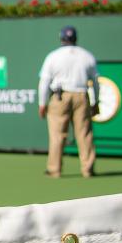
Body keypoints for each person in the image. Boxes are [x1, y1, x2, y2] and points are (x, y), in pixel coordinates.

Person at [38, 26, 98, 179]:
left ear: (61, 38)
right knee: (84, 134)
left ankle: (54, 170)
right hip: (81, 96)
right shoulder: (87, 55)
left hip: (60, 97)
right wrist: (95, 102)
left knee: (57, 135)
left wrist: (42, 103)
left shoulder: (53, 56)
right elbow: (95, 82)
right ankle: (87, 169)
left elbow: (44, 82)